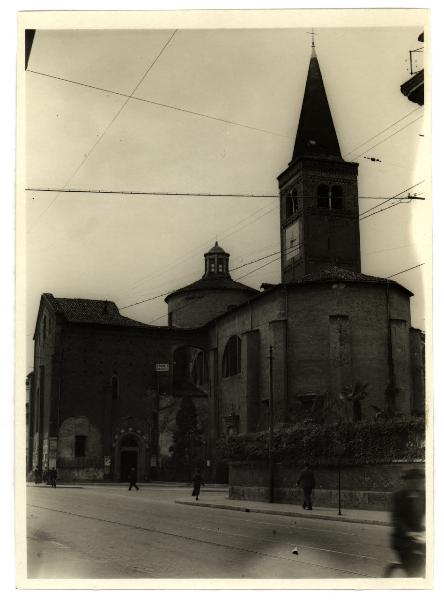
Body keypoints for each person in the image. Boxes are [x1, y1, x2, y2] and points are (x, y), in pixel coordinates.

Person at [389, 468, 426, 577]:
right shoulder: (398, 496)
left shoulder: (425, 496)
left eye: (419, 480)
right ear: (407, 482)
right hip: (403, 540)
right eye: (413, 481)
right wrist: (408, 532)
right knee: (413, 570)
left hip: (421, 539)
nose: (417, 483)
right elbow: (396, 519)